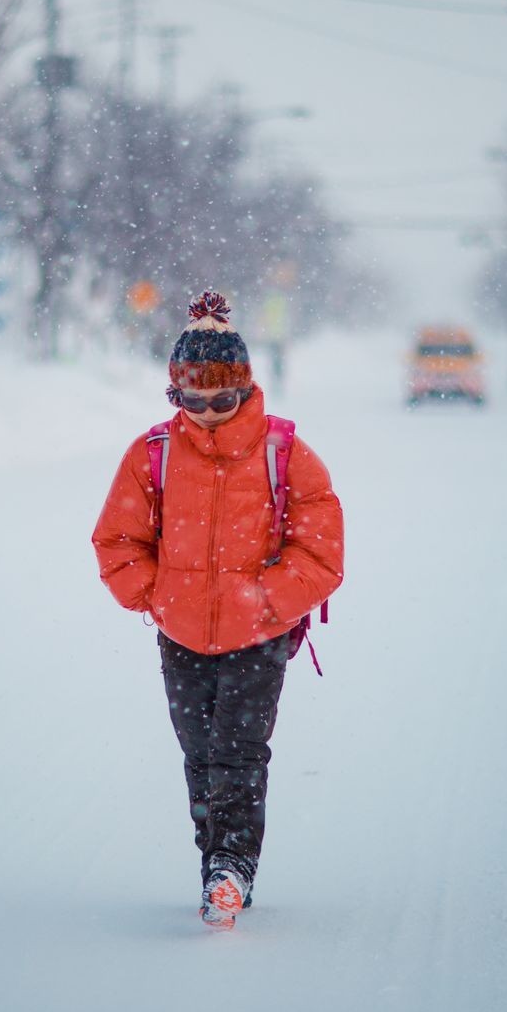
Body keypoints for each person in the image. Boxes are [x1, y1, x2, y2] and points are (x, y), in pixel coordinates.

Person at [91, 290, 344, 930]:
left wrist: (266, 601)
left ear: (246, 387)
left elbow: (320, 551)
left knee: (239, 750)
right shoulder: (155, 455)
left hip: (257, 637)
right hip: (180, 634)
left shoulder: (284, 455)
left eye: (221, 399)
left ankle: (231, 868)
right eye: (190, 398)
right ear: (174, 393)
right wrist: (153, 594)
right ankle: (215, 864)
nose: (206, 413)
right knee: (199, 753)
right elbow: (117, 540)